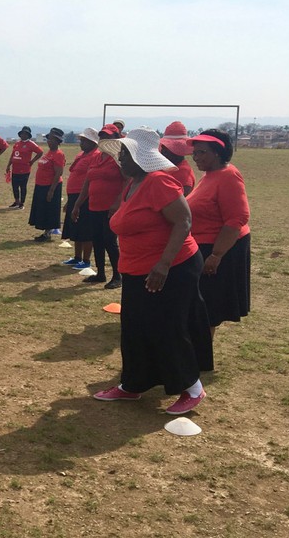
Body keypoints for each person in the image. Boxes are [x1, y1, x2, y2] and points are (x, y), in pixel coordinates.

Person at [93, 127, 213, 415]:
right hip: (137, 268)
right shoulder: (133, 182)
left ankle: (192, 387)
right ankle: (133, 384)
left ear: (140, 156)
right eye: (120, 153)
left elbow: (184, 222)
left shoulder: (158, 182)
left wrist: (163, 264)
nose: (120, 159)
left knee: (166, 326)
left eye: (125, 153)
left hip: (172, 267)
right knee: (134, 327)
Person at [186, 129, 251, 339]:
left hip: (219, 248)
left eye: (202, 152)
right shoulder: (210, 175)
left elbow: (236, 219)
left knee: (209, 305)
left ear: (218, 153)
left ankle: (201, 355)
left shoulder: (228, 175)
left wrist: (216, 255)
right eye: (194, 153)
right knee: (202, 302)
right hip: (202, 245)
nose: (196, 157)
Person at [72, 124, 124, 288]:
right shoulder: (96, 157)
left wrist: (117, 202)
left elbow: (128, 181)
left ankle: (117, 276)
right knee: (97, 241)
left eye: (108, 137)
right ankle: (100, 273)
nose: (105, 140)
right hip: (93, 206)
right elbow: (87, 183)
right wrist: (77, 205)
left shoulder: (119, 157)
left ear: (117, 139)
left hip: (111, 209)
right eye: (102, 137)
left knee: (110, 241)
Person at [61, 128, 99, 269]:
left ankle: (86, 260)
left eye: (84, 141)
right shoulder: (82, 155)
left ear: (92, 142)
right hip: (73, 196)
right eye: (81, 140)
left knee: (85, 230)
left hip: (84, 196)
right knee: (75, 228)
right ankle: (77, 257)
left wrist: (79, 200)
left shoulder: (95, 156)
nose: (81, 143)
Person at [28, 128, 66, 241]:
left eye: (51, 139)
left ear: (57, 141)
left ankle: (47, 233)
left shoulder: (58, 154)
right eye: (48, 139)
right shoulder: (49, 152)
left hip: (50, 186)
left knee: (49, 209)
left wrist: (51, 190)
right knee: (42, 208)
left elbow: (59, 172)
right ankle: (45, 230)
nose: (49, 141)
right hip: (41, 185)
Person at [5, 126, 44, 210]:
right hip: (15, 169)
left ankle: (22, 203)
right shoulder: (17, 143)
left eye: (25, 134)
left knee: (23, 186)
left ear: (28, 135)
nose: (23, 135)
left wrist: (32, 161)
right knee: (14, 186)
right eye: (22, 133)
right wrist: (8, 165)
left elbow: (40, 152)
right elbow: (13, 155)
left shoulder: (31, 144)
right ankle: (16, 201)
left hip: (24, 170)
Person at [159, 121, 195, 195]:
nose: (163, 151)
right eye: (163, 147)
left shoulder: (183, 174)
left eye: (167, 148)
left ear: (179, 149)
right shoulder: (170, 168)